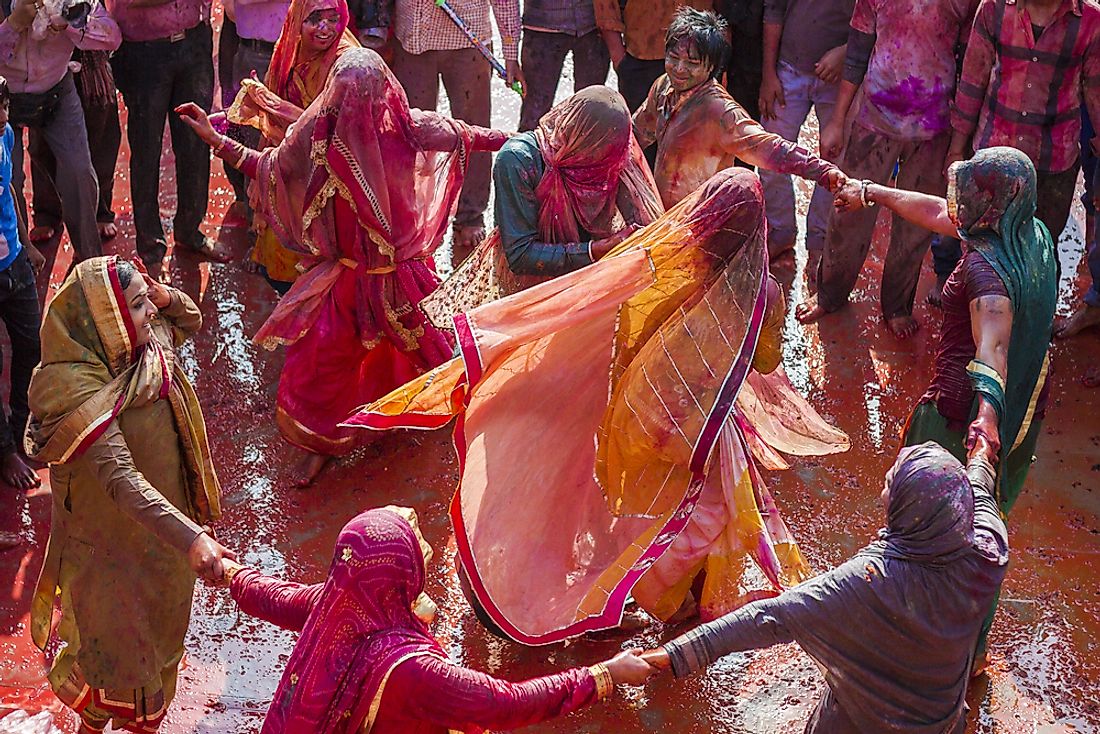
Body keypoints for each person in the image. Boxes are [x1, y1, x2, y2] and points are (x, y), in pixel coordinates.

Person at [348, 168, 848, 644]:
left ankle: (622, 589)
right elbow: (763, 360)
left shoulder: (667, 256)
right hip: (699, 426)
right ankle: (653, 603)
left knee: (626, 505)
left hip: (639, 408)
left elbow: (615, 312)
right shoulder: (762, 294)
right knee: (702, 512)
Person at [178, 49, 509, 487]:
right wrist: (213, 138)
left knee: (417, 351)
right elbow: (269, 166)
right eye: (344, 99)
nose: (352, 110)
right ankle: (322, 443)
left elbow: (472, 135)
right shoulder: (316, 138)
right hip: (347, 277)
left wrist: (527, 143)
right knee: (323, 361)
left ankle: (416, 414)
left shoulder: (405, 129)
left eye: (361, 100)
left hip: (396, 276)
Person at [835, 146, 1056, 667]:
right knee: (988, 528)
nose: (961, 203)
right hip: (1027, 416)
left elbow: (993, 347)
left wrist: (986, 416)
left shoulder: (987, 278)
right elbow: (940, 212)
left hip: (962, 421)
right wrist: (872, 192)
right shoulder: (1032, 235)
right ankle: (971, 654)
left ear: (993, 205)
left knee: (927, 528)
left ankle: (912, 646)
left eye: (973, 193)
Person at [642, 440, 1007, 733]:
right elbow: (980, 491)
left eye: (890, 484)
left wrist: (665, 658)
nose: (885, 484)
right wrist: (981, 457)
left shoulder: (869, 580)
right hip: (940, 723)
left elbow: (766, 618)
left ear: (905, 510)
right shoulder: (987, 552)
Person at [24, 256, 234, 734]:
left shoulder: (143, 346)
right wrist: (193, 539)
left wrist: (160, 296)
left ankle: (141, 721)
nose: (152, 314)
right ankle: (96, 723)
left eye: (147, 302)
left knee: (160, 627)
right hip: (112, 539)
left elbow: (189, 319)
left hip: (162, 531)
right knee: (111, 638)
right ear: (108, 320)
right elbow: (122, 482)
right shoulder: (75, 390)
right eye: (138, 306)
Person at [219, 506, 655, 733]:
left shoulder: (340, 604)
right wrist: (606, 674)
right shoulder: (412, 672)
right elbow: (505, 703)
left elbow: (276, 597)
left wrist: (230, 573)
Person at [797, 0, 979, 338]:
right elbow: (857, 53)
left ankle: (897, 305)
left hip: (934, 126)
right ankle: (830, 294)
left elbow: (972, 65)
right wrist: (837, 120)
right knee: (848, 213)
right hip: (875, 118)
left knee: (915, 226)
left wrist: (959, 143)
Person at [423, 86, 663, 316]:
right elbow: (519, 255)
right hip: (528, 288)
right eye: (594, 151)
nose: (599, 161)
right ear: (573, 133)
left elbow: (644, 225)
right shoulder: (520, 161)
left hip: (587, 282)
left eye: (607, 153)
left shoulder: (613, 156)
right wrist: (594, 251)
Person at [631, 8, 845, 211]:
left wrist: (824, 172)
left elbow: (773, 149)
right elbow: (635, 135)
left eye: (692, 63)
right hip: (662, 217)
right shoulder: (663, 87)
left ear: (711, 68)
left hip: (699, 221)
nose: (679, 69)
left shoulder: (720, 112)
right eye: (674, 58)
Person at [226, 0, 359, 294]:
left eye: (333, 19)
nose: (325, 29)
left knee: (328, 266)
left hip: (331, 170)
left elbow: (331, 125)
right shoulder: (288, 49)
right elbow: (274, 121)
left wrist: (266, 101)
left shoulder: (348, 62)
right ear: (297, 19)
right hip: (290, 165)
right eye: (315, 19)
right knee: (280, 268)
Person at [391, 0, 523, 257]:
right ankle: (411, 216)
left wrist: (510, 53)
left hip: (466, 41)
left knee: (473, 132)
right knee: (409, 135)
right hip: (410, 37)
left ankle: (470, 216)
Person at [107, 0, 228, 274]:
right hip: (143, 50)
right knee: (146, 147)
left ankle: (189, 229)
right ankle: (150, 248)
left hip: (195, 38)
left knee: (196, 140)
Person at [0, 0, 120, 264]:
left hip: (57, 92)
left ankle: (91, 261)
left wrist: (70, 23)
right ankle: (18, 262)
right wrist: (13, 26)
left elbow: (112, 36)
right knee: (7, 182)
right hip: (4, 97)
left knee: (79, 174)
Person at [757, 0, 854, 258]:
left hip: (842, 79)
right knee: (769, 153)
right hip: (789, 69)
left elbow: (877, 23)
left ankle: (820, 238)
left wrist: (845, 53)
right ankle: (780, 230)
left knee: (835, 161)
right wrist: (768, 74)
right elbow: (774, 10)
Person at [0, 75, 45, 493]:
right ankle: (4, 450)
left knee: (31, 345)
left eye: (5, 109)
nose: (1, 119)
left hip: (13, 262)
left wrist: (26, 244)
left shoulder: (6, 134)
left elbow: (10, 191)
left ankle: (22, 427)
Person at [27, 50, 123, 244]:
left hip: (92, 67)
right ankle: (47, 213)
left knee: (102, 140)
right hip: (44, 64)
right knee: (42, 143)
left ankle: (101, 210)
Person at [219, 0, 292, 222]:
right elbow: (234, 9)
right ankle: (258, 229)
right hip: (256, 52)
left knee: (292, 139)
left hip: (295, 48)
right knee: (254, 143)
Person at [594, 0, 711, 117]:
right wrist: (617, 56)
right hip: (642, 55)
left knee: (696, 126)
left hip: (700, 56)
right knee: (641, 127)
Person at [517, 0, 610, 132]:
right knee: (534, 116)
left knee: (591, 115)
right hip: (542, 25)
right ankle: (529, 151)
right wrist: (510, 53)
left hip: (594, 24)